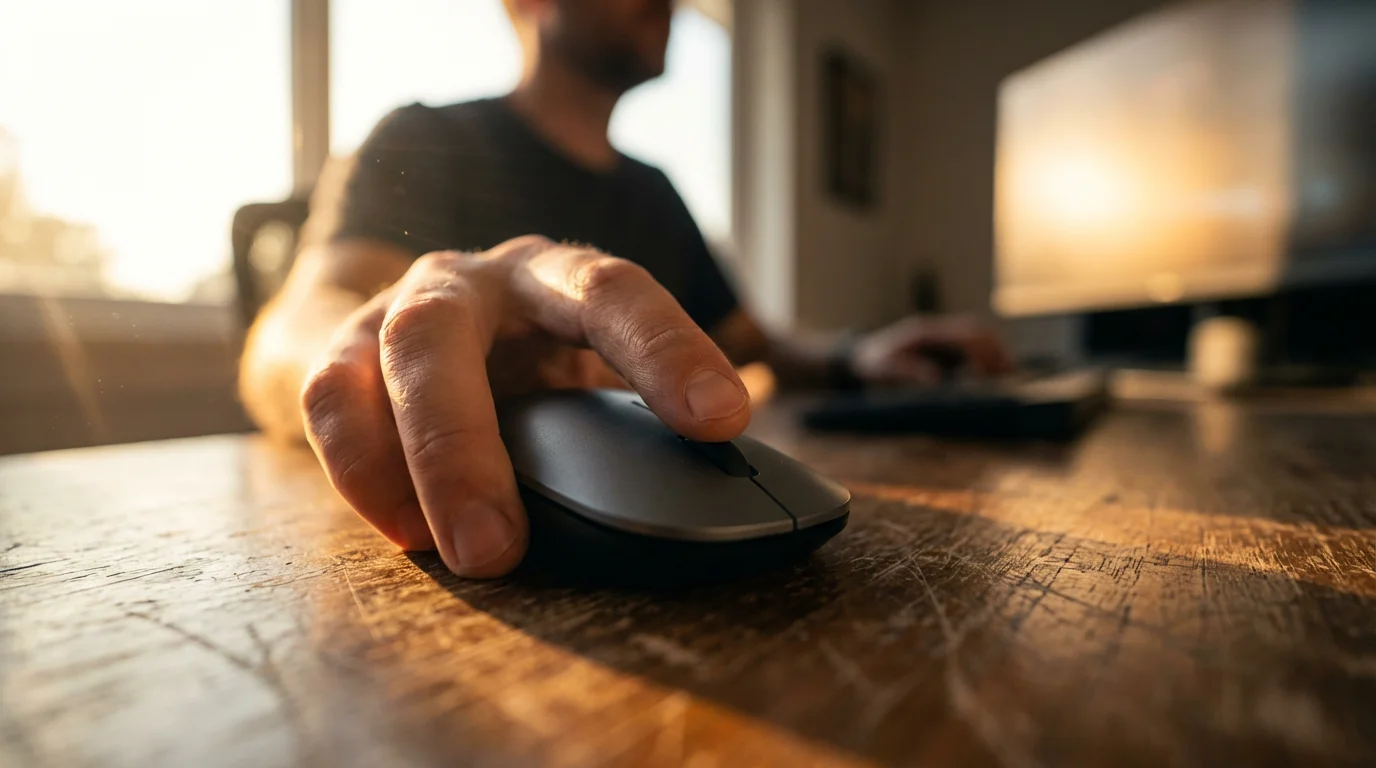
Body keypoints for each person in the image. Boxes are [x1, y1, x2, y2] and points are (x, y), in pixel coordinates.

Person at [238, 0, 1011, 579]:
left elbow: (746, 341)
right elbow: (294, 327)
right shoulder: (426, 140)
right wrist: (373, 346)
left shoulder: (655, 192)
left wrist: (857, 352)